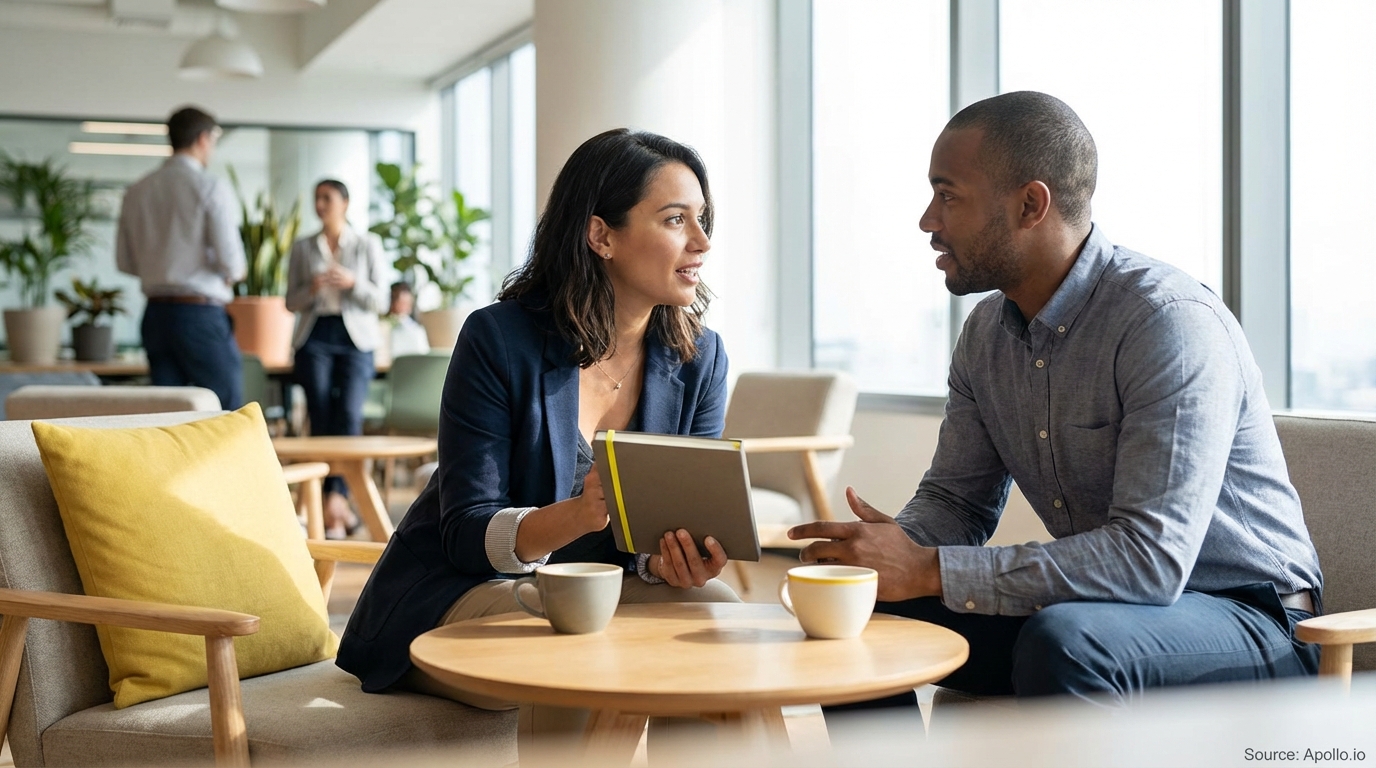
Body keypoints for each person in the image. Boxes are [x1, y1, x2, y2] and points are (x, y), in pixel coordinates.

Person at [791, 91, 1323, 706]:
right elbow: (956, 503)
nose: (927, 220)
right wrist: (883, 563)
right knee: (860, 614)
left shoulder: (1167, 323)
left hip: (1253, 619)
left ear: (1030, 205)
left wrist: (929, 570)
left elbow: (1149, 560)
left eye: (948, 195)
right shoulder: (987, 333)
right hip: (1104, 611)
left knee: (1067, 642)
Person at [337, 129, 740, 740]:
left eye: (702, 219)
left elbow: (663, 535)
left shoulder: (699, 359)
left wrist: (673, 561)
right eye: (676, 219)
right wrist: (582, 513)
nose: (702, 243)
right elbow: (466, 533)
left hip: (596, 595)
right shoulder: (498, 341)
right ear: (601, 235)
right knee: (575, 630)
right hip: (463, 592)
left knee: (717, 616)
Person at [116, 105, 245, 409]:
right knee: (226, 412)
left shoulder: (137, 190)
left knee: (166, 415)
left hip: (156, 317)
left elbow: (124, 262)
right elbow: (234, 264)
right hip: (199, 314)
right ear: (203, 139)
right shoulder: (209, 186)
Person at [285, 179, 388, 539]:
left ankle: (337, 501)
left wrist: (351, 283)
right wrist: (311, 288)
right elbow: (290, 302)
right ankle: (328, 503)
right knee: (321, 414)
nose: (320, 204)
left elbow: (382, 300)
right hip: (315, 337)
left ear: (345, 202)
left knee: (349, 414)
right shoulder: (302, 247)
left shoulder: (366, 244)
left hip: (355, 339)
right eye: (316, 198)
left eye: (327, 198)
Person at [385, 281, 431, 357]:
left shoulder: (417, 330)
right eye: (401, 304)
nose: (405, 308)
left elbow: (423, 355)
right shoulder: (385, 326)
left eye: (407, 304)